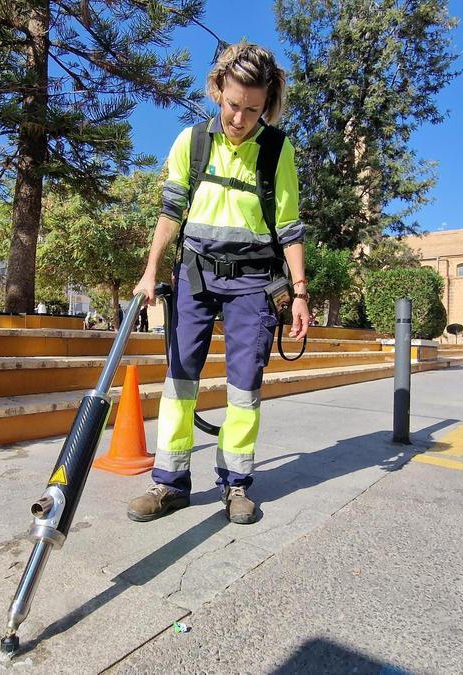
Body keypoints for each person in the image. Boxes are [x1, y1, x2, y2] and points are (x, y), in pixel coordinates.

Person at [127, 41, 309, 526]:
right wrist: (149, 271)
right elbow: (170, 212)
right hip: (195, 274)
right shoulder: (192, 142)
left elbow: (289, 226)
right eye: (233, 105)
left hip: (254, 282)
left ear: (266, 104)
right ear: (217, 91)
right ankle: (169, 483)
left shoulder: (277, 149)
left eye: (253, 109)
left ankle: (235, 485)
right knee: (179, 381)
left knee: (244, 388)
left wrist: (300, 293)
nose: (240, 118)